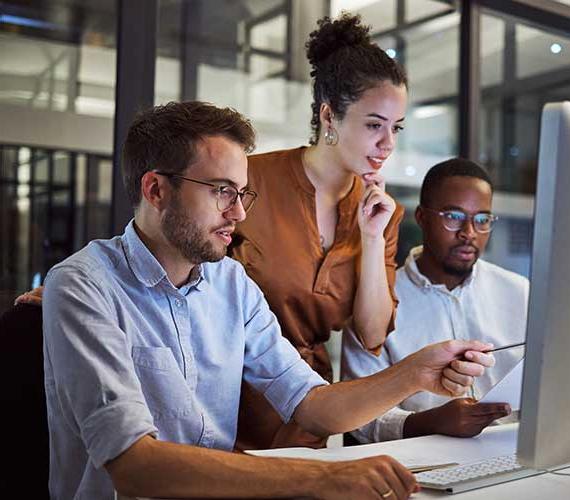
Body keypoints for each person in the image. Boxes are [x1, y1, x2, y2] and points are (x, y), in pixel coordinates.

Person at [42, 101, 496, 500]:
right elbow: (134, 466)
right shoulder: (83, 286)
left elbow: (314, 407)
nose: (238, 213)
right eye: (221, 190)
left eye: (241, 193)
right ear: (156, 189)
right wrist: (319, 478)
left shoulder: (231, 284)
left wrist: (415, 372)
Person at [229, 13, 409, 449]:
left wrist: (370, 237)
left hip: (309, 412)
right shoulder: (248, 178)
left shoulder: (382, 213)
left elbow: (370, 336)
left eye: (396, 128)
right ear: (330, 115)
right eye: (373, 125)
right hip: (226, 403)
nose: (388, 144)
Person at [342, 158, 529, 444]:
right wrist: (429, 422)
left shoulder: (519, 292)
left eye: (482, 220)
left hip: (512, 452)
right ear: (421, 218)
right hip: (420, 464)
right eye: (453, 217)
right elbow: (356, 417)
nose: (469, 233)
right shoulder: (377, 301)